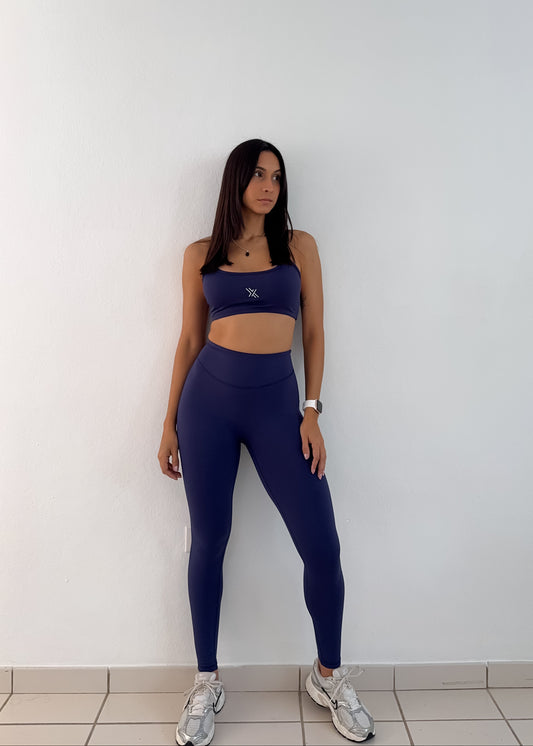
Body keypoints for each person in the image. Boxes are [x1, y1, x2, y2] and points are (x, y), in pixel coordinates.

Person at [158, 139, 375, 746]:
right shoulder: (200, 254)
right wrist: (169, 422)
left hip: (280, 410)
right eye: (257, 174)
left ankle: (327, 676)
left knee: (322, 545)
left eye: (277, 177)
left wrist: (312, 410)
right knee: (209, 543)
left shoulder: (299, 247)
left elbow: (315, 331)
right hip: (207, 407)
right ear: (236, 181)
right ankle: (206, 682)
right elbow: (188, 341)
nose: (268, 186)